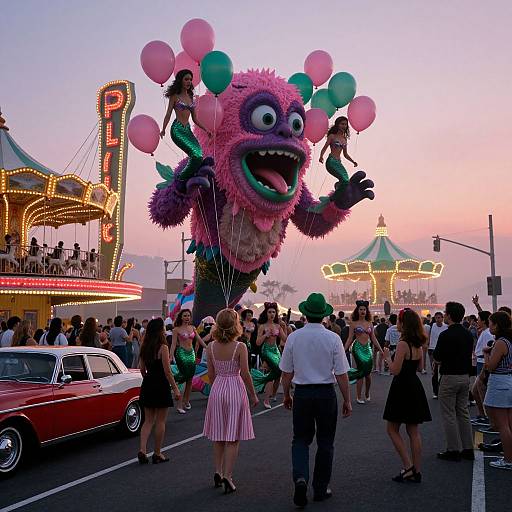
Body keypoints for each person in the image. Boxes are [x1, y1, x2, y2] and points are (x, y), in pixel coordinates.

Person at [280, 293, 352, 507]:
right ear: (324, 315)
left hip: (302, 393)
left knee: (300, 439)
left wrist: (286, 394)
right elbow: (341, 374)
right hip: (325, 393)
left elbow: (286, 373)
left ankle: (301, 477)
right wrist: (347, 399)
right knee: (326, 442)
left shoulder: (294, 337)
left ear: (305, 313)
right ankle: (321, 488)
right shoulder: (333, 338)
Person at [203, 309, 258, 493]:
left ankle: (217, 470)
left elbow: (210, 374)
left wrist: (216, 388)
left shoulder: (210, 347)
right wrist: (253, 394)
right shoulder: (239, 347)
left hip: (217, 388)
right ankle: (228, 475)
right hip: (235, 387)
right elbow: (245, 373)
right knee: (233, 437)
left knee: (218, 434)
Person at [383, 309, 431, 483]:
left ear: (403, 323)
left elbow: (395, 370)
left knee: (392, 429)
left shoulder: (403, 344)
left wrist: (388, 357)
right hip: (414, 386)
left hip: (401, 387)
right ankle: (417, 470)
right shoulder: (418, 343)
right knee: (413, 431)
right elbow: (420, 367)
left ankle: (408, 465)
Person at [433, 302, 474, 461]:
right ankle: (468, 448)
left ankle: (453, 449)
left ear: (449, 316)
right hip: (464, 376)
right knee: (463, 412)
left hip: (449, 376)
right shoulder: (468, 334)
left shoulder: (445, 335)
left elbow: (437, 357)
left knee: (449, 413)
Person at [138, 318, 181, 464]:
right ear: (160, 330)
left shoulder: (144, 346)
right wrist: (175, 389)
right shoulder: (163, 347)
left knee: (148, 420)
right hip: (161, 384)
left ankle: (142, 450)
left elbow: (141, 369)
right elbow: (168, 372)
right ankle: (157, 452)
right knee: (161, 421)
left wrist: (148, 378)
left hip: (148, 382)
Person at [160, 69, 210, 187]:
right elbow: (168, 114)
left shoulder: (191, 97)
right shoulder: (174, 96)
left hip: (187, 130)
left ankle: (190, 175)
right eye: (186, 79)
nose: (189, 81)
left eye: (190, 79)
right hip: (177, 130)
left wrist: (206, 129)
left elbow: (195, 119)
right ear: (181, 81)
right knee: (195, 155)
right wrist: (163, 129)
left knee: (199, 154)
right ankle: (180, 180)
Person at [482, 311, 512, 470]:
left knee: (502, 425)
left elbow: (491, 366)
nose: (489, 326)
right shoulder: (508, 341)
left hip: (500, 381)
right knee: (508, 422)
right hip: (508, 379)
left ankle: (508, 459)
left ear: (498, 325)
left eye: (491, 323)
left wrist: (486, 354)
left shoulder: (501, 342)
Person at [345, 300, 383, 404]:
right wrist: (344, 350)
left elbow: (374, 338)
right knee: (361, 373)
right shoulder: (353, 323)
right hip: (357, 348)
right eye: (361, 309)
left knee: (368, 374)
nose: (362, 311)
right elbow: (349, 338)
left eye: (364, 309)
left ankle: (367, 393)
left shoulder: (370, 323)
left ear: (367, 311)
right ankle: (358, 396)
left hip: (367, 348)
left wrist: (381, 350)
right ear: (357, 311)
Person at [251, 302, 287, 409]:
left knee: (278, 373)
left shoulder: (277, 326)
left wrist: (284, 327)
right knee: (276, 370)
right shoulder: (262, 326)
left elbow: (285, 340)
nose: (272, 314)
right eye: (269, 312)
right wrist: (265, 335)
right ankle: (267, 399)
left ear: (276, 314)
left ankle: (271, 393)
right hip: (266, 351)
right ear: (266, 313)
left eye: (274, 312)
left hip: (275, 351)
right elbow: (257, 342)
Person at [170, 309, 207, 413]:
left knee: (190, 379)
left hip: (191, 354)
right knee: (184, 378)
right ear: (181, 317)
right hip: (181, 354)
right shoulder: (176, 330)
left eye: (188, 316)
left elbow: (199, 340)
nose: (187, 317)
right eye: (185, 315)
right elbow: (173, 344)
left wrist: (208, 348)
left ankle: (186, 400)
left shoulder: (193, 328)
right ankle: (179, 405)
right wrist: (170, 356)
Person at [318, 116, 357, 192]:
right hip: (331, 162)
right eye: (342, 124)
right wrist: (321, 156)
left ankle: (338, 188)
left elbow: (345, 154)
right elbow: (325, 147)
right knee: (345, 180)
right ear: (337, 125)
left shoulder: (344, 139)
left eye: (345, 124)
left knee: (346, 180)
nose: (344, 126)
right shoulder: (332, 136)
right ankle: (334, 196)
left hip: (339, 163)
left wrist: (353, 161)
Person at [428, 311, 448, 399]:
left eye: (439, 317)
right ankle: (435, 392)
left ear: (442, 318)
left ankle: (443, 390)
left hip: (443, 351)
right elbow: (428, 337)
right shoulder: (431, 327)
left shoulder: (446, 327)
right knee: (434, 372)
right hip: (433, 350)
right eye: (436, 318)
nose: (438, 319)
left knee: (444, 372)